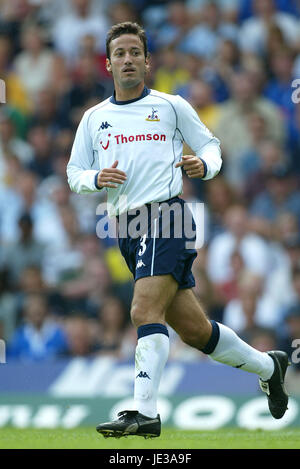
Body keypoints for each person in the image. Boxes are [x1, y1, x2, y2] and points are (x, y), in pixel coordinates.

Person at [67, 21, 289, 439]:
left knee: (141, 311)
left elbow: (210, 146)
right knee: (195, 331)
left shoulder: (171, 106)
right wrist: (96, 179)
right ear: (109, 63)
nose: (128, 59)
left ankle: (144, 411)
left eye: (135, 52)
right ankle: (269, 366)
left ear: (148, 62)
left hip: (167, 216)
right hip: (127, 228)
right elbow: (73, 172)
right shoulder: (94, 119)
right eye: (120, 53)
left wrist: (204, 165)